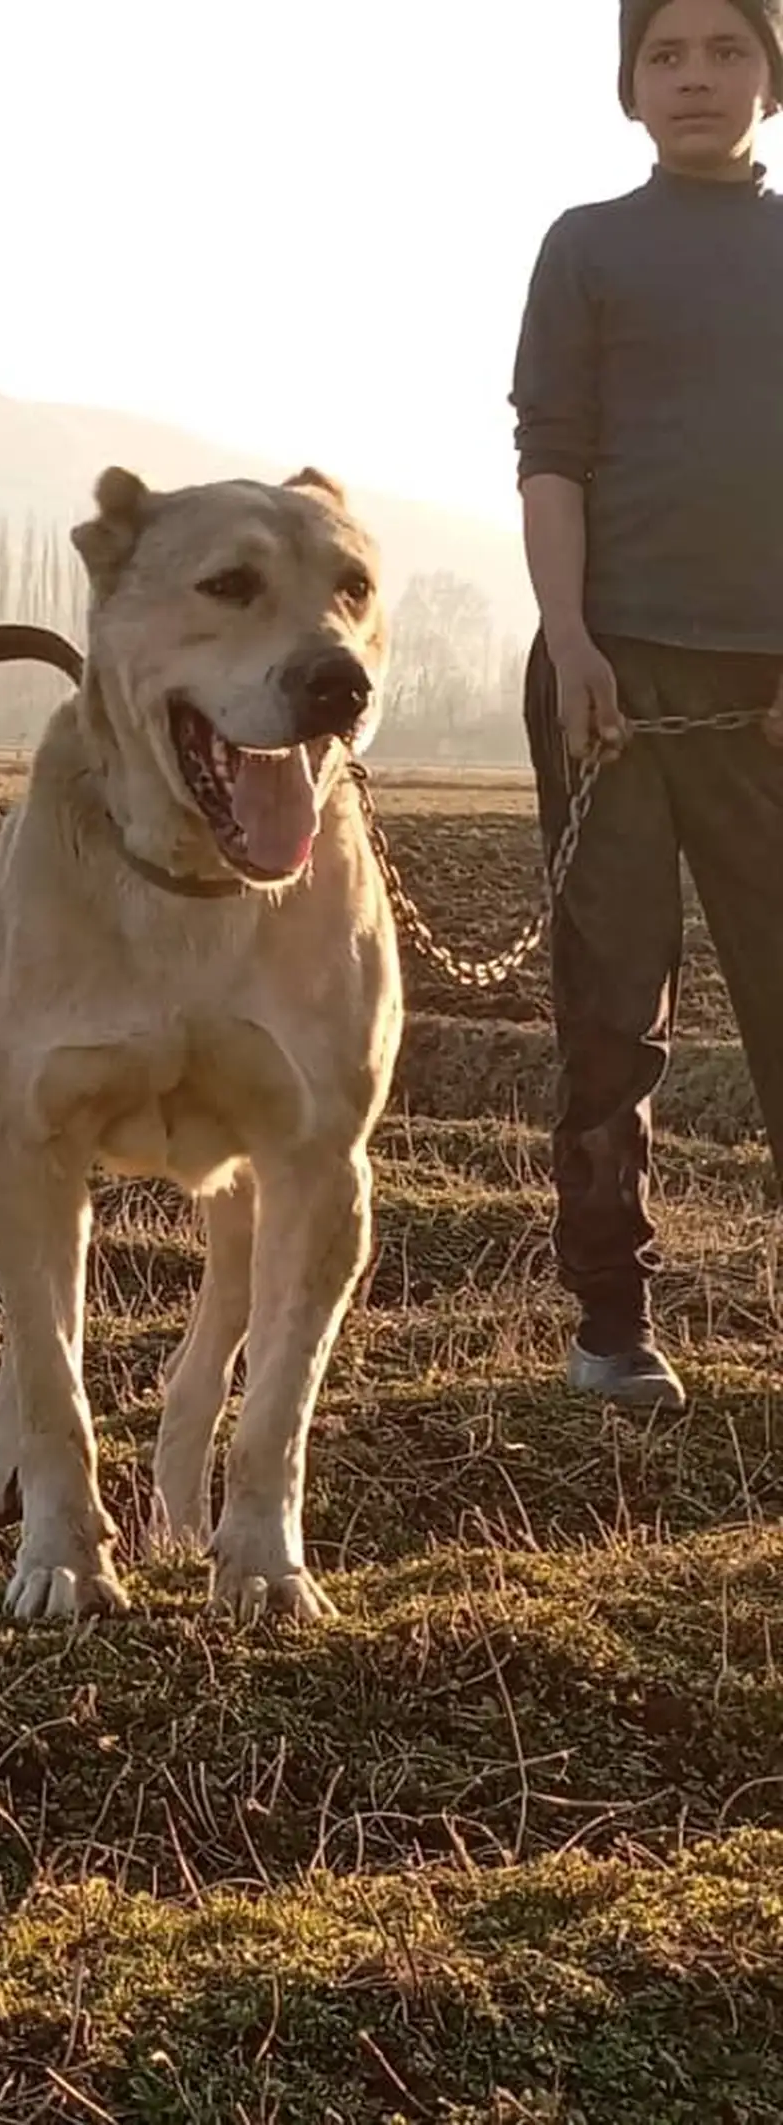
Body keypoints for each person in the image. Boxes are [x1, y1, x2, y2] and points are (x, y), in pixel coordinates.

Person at [510, 0, 783, 1411]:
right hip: (607, 682)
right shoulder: (587, 247)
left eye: (725, 50)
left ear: (773, 77)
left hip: (771, 695)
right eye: (665, 54)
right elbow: (550, 455)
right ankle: (614, 1324)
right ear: (629, 85)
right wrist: (571, 641)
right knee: (612, 1015)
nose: (695, 78)